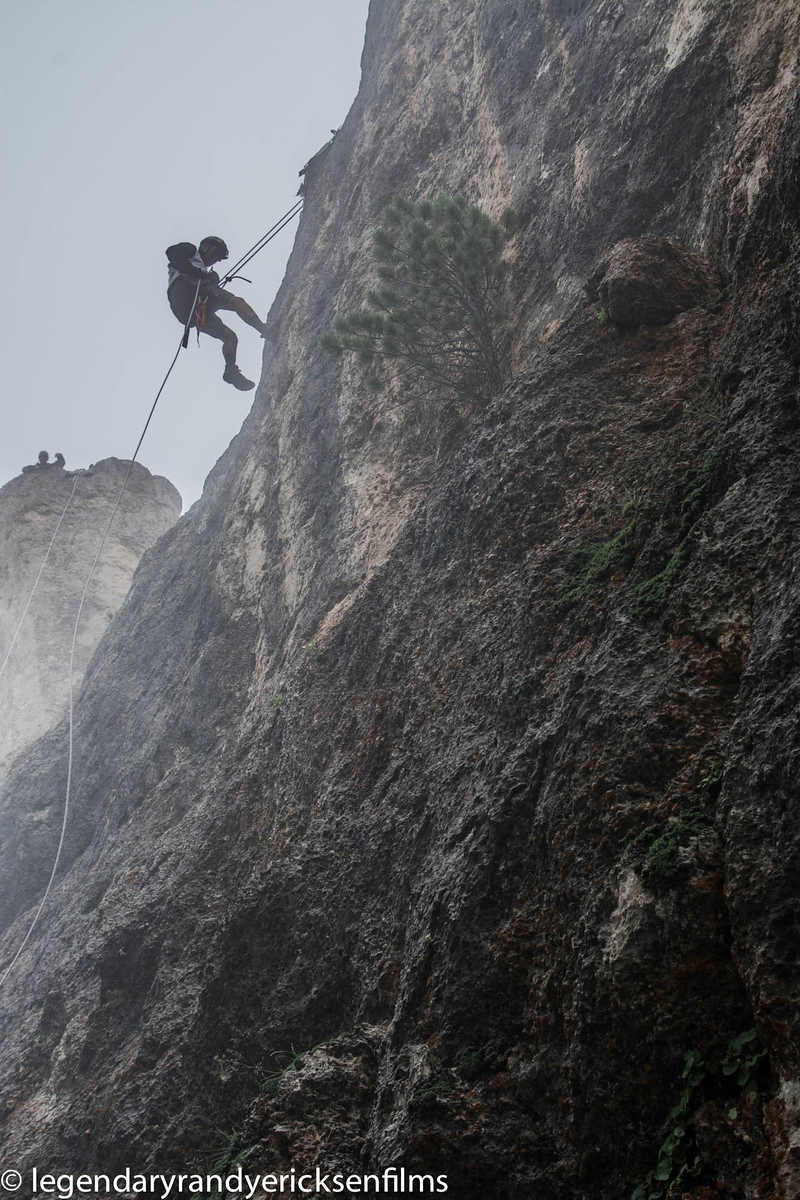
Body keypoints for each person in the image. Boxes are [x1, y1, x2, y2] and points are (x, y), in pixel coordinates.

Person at [166, 236, 268, 391]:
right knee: (236, 302)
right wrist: (200, 274)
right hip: (188, 289)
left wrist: (207, 278)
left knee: (230, 337)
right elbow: (171, 252)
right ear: (205, 247)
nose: (214, 259)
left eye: (218, 258)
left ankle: (231, 370)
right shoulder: (191, 251)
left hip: (187, 309)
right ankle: (264, 329)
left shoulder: (201, 271)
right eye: (216, 253)